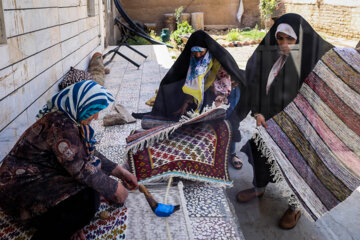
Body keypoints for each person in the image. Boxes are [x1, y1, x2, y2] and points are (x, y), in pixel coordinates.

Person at [0, 80, 138, 240]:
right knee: (87, 199)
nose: (96, 116)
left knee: (90, 189)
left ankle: (63, 224)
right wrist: (115, 188)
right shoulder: (59, 125)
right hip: (19, 191)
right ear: (82, 104)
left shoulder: (69, 120)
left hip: (37, 180)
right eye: (93, 110)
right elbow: (81, 169)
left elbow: (85, 153)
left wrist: (119, 171)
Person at [235, 13, 333, 229]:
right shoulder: (271, 57)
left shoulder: (312, 64)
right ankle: (259, 187)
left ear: (301, 39)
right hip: (268, 122)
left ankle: (295, 206)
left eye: (290, 39)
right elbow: (257, 84)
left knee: (297, 165)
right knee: (261, 154)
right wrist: (258, 112)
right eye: (280, 38)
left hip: (299, 127)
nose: (284, 44)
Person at [136, 30, 247, 169]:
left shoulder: (219, 61)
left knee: (228, 121)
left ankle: (231, 154)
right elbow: (191, 84)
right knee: (202, 121)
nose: (198, 55)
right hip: (209, 92)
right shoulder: (193, 61)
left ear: (207, 49)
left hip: (230, 90)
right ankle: (210, 152)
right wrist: (186, 102)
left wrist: (222, 99)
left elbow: (225, 84)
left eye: (201, 52)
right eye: (194, 51)